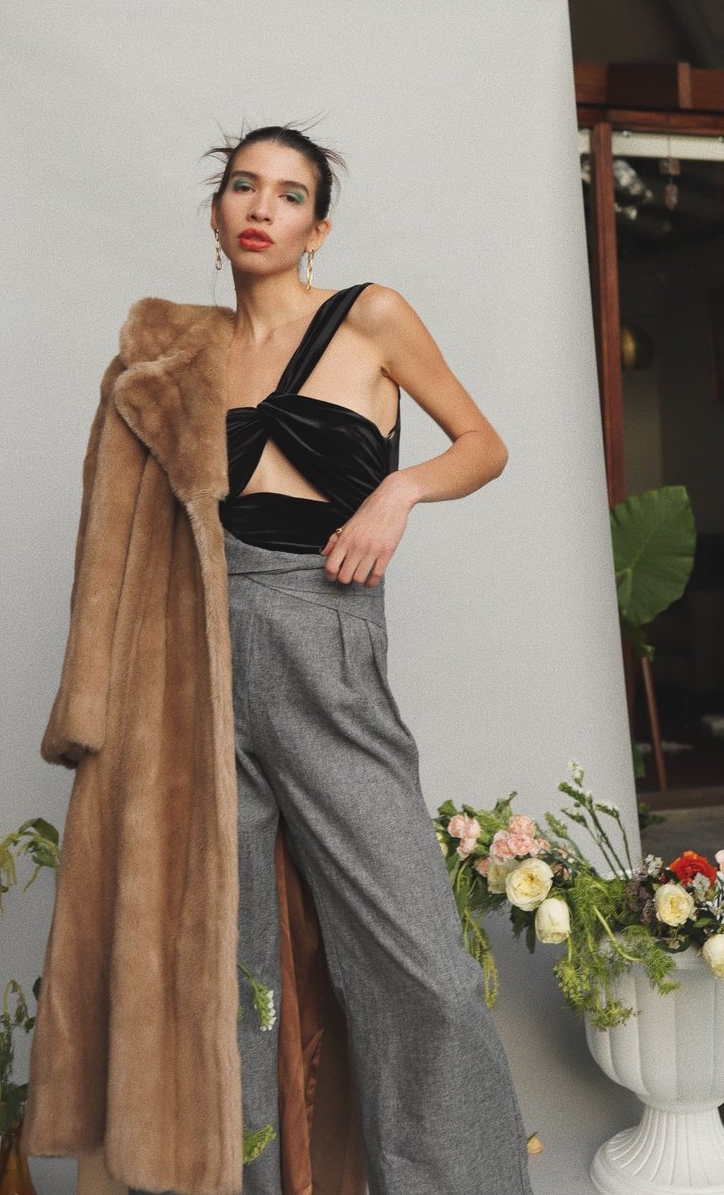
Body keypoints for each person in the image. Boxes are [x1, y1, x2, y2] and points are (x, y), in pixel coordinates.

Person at [205, 124, 534, 1195]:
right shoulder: (190, 355)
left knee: (419, 965)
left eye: (288, 193)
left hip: (324, 634)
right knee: (233, 970)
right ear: (218, 212)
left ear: (317, 228)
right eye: (242, 185)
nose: (261, 206)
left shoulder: (368, 315)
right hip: (201, 653)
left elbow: (482, 445)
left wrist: (398, 490)